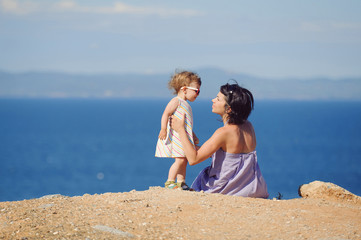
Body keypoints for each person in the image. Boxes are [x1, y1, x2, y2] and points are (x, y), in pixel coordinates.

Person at [170, 82, 269, 198]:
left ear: (229, 109)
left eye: (218, 99)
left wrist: (180, 129)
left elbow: (193, 159)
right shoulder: (248, 126)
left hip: (227, 189)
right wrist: (200, 149)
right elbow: (233, 157)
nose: (213, 100)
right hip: (253, 188)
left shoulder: (223, 133)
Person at [155, 71, 202, 190]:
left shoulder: (185, 104)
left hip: (183, 137)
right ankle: (170, 181)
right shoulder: (176, 101)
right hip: (177, 137)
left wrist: (193, 135)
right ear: (184, 89)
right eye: (196, 91)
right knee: (180, 159)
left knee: (184, 159)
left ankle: (181, 182)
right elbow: (166, 113)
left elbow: (186, 125)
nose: (198, 94)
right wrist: (163, 129)